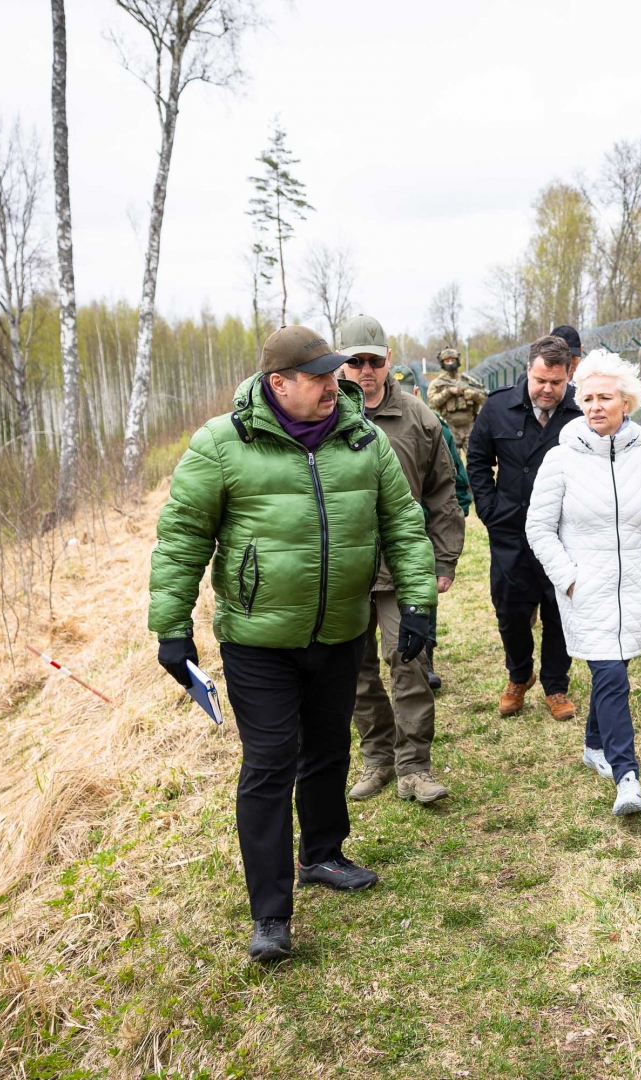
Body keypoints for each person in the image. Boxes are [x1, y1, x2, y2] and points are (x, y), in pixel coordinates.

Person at [149, 325, 437, 962]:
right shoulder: (222, 444)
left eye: (336, 374)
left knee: (329, 747)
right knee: (271, 762)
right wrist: (172, 628)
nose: (334, 384)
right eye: (319, 376)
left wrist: (418, 601)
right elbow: (182, 538)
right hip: (259, 640)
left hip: (341, 628)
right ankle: (271, 914)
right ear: (278, 384)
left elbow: (402, 522)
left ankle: (324, 854)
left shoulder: (362, 439)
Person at [526, 350, 641, 816]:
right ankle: (626, 775)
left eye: (605, 398)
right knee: (612, 675)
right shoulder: (560, 460)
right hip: (586, 589)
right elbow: (539, 528)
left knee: (613, 671)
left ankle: (594, 744)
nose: (595, 406)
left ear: (626, 402)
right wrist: (569, 579)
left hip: (637, 585)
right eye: (588, 398)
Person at [335, 314, 464, 805]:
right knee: (355, 669)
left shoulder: (419, 418)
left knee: (408, 659)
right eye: (356, 362)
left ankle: (414, 766)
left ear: (388, 360)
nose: (366, 371)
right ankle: (377, 757)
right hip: (344, 569)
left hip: (402, 566)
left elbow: (443, 493)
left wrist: (444, 560)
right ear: (341, 364)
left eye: (374, 361)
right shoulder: (325, 414)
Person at [466, 335, 582, 721]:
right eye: (540, 380)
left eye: (556, 382)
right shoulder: (498, 407)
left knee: (558, 609)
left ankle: (556, 685)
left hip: (563, 534)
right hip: (511, 531)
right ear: (527, 371)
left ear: (569, 376)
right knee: (510, 610)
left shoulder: (581, 412)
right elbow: (478, 460)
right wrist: (489, 510)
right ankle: (519, 675)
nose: (547, 389)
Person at [425, 347, 488, 452]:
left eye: (452, 360)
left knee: (475, 457)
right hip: (449, 427)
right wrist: (448, 392)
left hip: (469, 427)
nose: (450, 363)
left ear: (457, 361)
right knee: (451, 460)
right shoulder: (437, 383)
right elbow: (432, 403)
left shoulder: (468, 381)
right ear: (442, 363)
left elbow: (485, 400)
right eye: (447, 361)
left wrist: (473, 395)